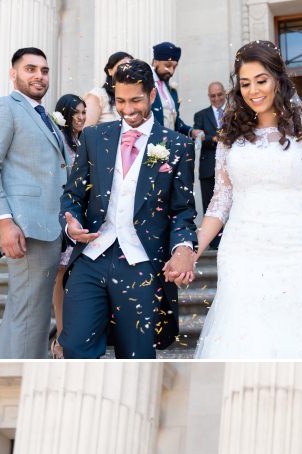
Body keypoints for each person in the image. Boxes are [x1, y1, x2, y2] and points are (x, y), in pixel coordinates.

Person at [191, 40, 302, 359]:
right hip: (241, 249)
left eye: (261, 81)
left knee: (301, 334)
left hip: (296, 246)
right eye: (245, 83)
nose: (253, 91)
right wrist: (192, 251)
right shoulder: (230, 137)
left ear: (278, 81)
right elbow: (220, 202)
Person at [58, 59, 198, 359]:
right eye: (120, 101)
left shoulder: (177, 146)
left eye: (135, 100)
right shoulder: (95, 138)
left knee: (136, 357)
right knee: (73, 345)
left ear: (151, 96)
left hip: (142, 263)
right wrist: (71, 224)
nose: (128, 109)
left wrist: (184, 248)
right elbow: (72, 195)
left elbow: (183, 210)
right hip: (92, 257)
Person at [0, 47, 68, 360]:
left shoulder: (44, 116)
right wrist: (4, 221)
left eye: (44, 70)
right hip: (25, 227)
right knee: (28, 315)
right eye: (30, 69)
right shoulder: (3, 107)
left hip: (49, 227)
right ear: (13, 73)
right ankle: (17, 384)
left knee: (35, 314)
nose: (39, 76)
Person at [47, 93, 86, 358]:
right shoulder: (59, 141)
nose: (82, 117)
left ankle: (73, 333)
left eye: (84, 112)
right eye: (76, 113)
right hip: (60, 215)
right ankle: (60, 338)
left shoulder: (85, 141)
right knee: (60, 277)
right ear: (65, 115)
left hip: (80, 216)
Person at [150, 42, 200, 139]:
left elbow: (173, 119)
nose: (171, 71)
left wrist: (190, 131)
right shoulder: (145, 84)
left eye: (174, 67)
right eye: (167, 65)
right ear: (156, 61)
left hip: (170, 144)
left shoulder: (171, 89)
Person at [193, 81, 227, 221]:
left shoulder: (234, 112)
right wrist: (213, 138)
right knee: (210, 206)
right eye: (213, 96)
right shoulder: (200, 115)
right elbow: (197, 136)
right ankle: (213, 242)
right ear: (209, 96)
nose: (217, 98)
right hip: (208, 167)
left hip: (231, 165)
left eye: (219, 94)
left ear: (225, 92)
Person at [84, 51, 133, 127]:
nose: (126, 70)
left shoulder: (134, 97)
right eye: (122, 66)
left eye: (130, 67)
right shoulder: (98, 96)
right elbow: (86, 130)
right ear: (110, 71)